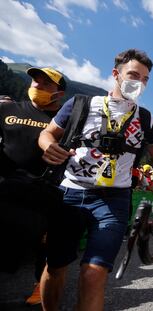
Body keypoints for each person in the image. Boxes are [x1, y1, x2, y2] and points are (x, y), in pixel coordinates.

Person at [38, 48, 153, 310]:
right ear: (116, 74)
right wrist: (47, 145)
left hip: (114, 200)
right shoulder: (80, 103)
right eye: (133, 75)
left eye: (145, 79)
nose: (139, 83)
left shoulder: (146, 118)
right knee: (56, 267)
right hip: (70, 193)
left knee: (94, 272)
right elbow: (48, 134)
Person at [0, 67, 66, 304]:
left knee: (46, 240)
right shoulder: (6, 108)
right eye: (35, 81)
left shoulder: (63, 123)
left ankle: (41, 283)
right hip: (6, 186)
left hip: (45, 192)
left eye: (46, 84)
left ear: (59, 93)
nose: (37, 86)